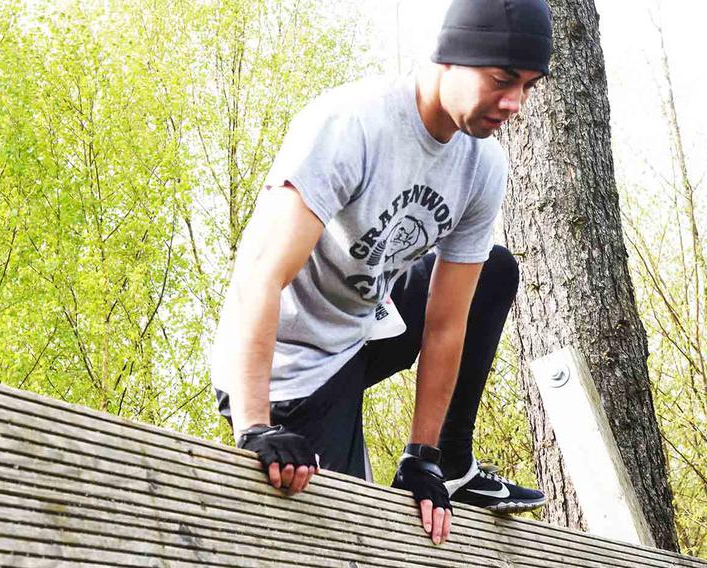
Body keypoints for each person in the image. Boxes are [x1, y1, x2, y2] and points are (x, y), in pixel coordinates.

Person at [210, 0, 553, 546]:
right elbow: (260, 275)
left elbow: (445, 324)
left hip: (363, 331)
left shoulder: (482, 166)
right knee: (342, 539)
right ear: (450, 58)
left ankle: (452, 460)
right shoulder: (352, 124)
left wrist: (424, 457)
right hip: (284, 364)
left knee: (493, 269)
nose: (513, 103)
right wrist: (255, 426)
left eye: (529, 86)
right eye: (502, 79)